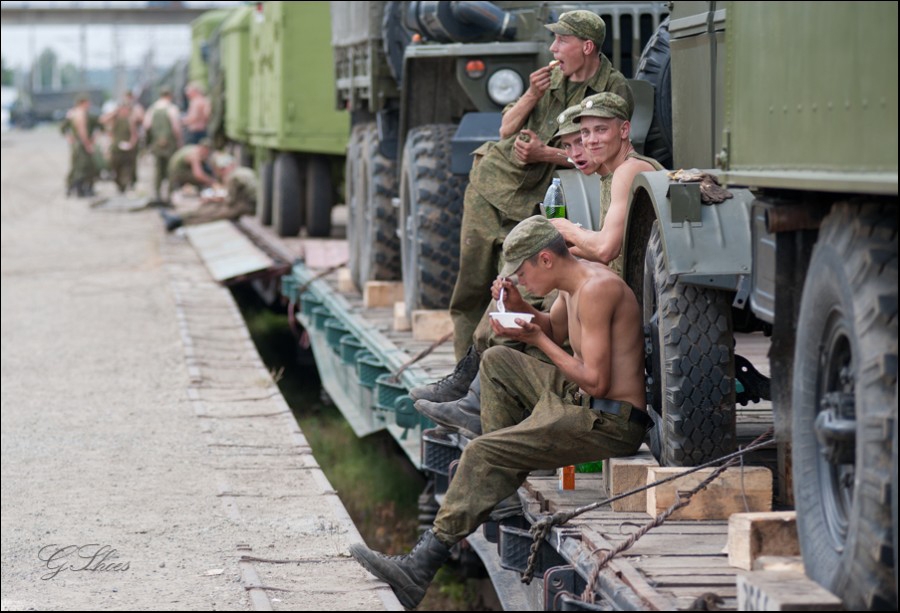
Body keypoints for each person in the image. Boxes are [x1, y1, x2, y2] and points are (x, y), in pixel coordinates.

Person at [350, 215, 650, 609]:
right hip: (582, 401)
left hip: (610, 422)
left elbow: (595, 380)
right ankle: (502, 489)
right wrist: (521, 307)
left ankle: (419, 569)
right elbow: (555, 330)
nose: (521, 280)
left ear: (546, 259)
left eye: (522, 274)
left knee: (481, 452)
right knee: (496, 361)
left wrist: (535, 339)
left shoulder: (597, 289)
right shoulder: (571, 284)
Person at [415, 93, 665, 436]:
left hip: (619, 303)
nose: (589, 142)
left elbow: (606, 248)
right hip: (614, 291)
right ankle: (476, 395)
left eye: (599, 131)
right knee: (522, 294)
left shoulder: (629, 170)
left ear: (624, 131)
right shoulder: (611, 175)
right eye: (584, 134)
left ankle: (480, 403)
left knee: (539, 293)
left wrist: (565, 231)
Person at [442, 9, 634, 391]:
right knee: (471, 283)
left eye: (562, 40)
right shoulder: (550, 76)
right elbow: (505, 129)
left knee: (514, 281)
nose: (553, 48)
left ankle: (485, 382)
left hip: (541, 198)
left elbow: (601, 156)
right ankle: (461, 378)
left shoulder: (612, 90)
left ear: (587, 46)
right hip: (493, 183)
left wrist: (546, 154)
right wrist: (532, 93)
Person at [160, 155, 257, 232]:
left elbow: (229, 201)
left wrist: (213, 199)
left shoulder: (233, 177)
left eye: (223, 169)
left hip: (246, 206)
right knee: (211, 207)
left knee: (213, 212)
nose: (222, 172)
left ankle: (180, 221)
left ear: (230, 166)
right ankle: (178, 218)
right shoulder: (241, 171)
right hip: (246, 203)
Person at [143, 87, 183, 202]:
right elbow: (176, 127)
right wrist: (179, 141)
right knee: (171, 168)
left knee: (158, 169)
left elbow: (147, 125)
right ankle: (169, 195)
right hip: (169, 142)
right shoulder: (172, 108)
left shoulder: (152, 109)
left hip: (156, 142)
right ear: (170, 96)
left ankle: (157, 194)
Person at [61, 94, 98, 197]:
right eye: (87, 103)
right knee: (84, 166)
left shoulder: (72, 114)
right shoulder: (80, 114)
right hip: (81, 144)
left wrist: (69, 137)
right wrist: (87, 144)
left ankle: (73, 187)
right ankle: (80, 189)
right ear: (82, 103)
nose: (89, 105)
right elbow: (82, 131)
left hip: (76, 144)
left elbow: (63, 128)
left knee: (76, 166)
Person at [100, 96, 139, 193]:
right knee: (115, 167)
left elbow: (134, 134)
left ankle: (126, 184)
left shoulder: (129, 119)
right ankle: (119, 184)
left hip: (127, 148)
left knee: (127, 168)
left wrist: (131, 144)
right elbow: (102, 120)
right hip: (116, 148)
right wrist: (114, 112)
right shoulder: (115, 119)